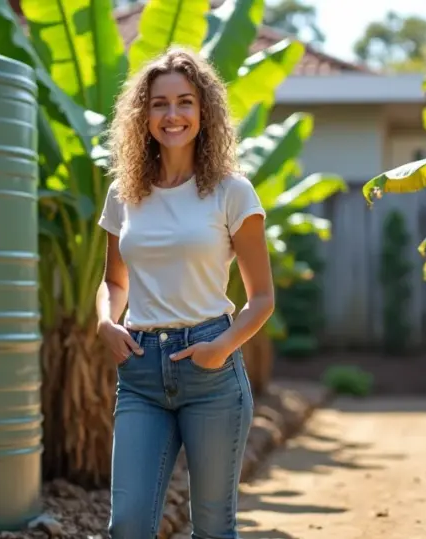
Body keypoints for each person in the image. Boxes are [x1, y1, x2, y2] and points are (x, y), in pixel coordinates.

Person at [95, 46, 275, 539]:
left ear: (204, 111)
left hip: (210, 370)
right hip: (140, 372)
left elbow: (261, 298)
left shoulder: (232, 192)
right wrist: (106, 321)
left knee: (213, 528)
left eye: (184, 102)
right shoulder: (123, 193)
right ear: (143, 114)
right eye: (159, 104)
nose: (171, 115)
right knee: (128, 525)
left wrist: (221, 348)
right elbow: (115, 282)